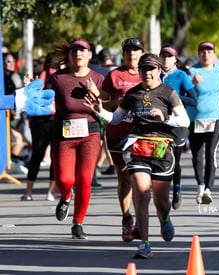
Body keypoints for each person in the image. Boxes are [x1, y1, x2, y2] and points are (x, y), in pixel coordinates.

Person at [84, 53, 190, 259]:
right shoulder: (132, 94)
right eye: (143, 69)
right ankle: (145, 243)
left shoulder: (169, 93)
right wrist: (99, 111)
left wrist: (165, 118)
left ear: (159, 71)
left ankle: (164, 217)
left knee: (162, 203)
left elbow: (184, 121)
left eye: (151, 69)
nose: (147, 73)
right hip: (137, 147)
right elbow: (115, 119)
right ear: (139, 72)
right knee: (141, 193)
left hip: (162, 150)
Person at [48, 38, 104, 239]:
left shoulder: (98, 78)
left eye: (82, 51)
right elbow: (44, 98)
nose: (78, 54)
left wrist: (98, 95)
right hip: (64, 133)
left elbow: (109, 106)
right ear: (69, 56)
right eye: (74, 51)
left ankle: (78, 223)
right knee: (64, 179)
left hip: (90, 133)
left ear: (89, 55)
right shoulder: (57, 78)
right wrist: (32, 89)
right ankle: (66, 195)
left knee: (85, 180)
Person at [100, 38, 144, 242]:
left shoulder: (149, 74)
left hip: (141, 134)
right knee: (124, 178)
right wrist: (115, 103)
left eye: (136, 51)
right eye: (128, 51)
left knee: (140, 178)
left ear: (142, 54)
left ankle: (142, 220)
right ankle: (127, 217)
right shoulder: (114, 75)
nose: (132, 55)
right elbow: (101, 103)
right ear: (123, 55)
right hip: (118, 133)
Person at [187, 41, 219, 204]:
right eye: (203, 51)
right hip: (196, 118)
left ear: (214, 54)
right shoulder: (192, 71)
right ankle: (200, 185)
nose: (206, 54)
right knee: (198, 154)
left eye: (209, 51)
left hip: (216, 116)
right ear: (199, 54)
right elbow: (182, 92)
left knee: (210, 152)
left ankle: (208, 189)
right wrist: (192, 85)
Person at [159, 45, 197, 209]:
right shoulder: (154, 74)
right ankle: (161, 192)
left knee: (175, 160)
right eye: (163, 56)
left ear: (175, 59)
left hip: (178, 124)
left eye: (169, 56)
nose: (166, 59)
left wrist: (173, 96)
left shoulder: (181, 76)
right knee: (160, 158)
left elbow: (194, 100)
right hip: (159, 124)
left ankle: (177, 190)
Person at [21, 52, 59, 201]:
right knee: (55, 157)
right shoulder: (58, 78)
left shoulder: (38, 78)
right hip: (55, 119)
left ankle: (28, 192)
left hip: (38, 122)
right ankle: (50, 192)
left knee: (36, 156)